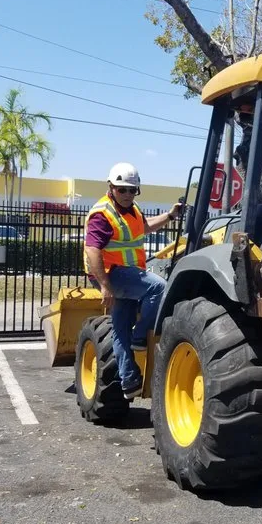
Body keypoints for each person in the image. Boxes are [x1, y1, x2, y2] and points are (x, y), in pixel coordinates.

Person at [84, 162, 181, 400]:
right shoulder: (103, 214)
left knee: (119, 330)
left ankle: (128, 382)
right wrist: (105, 286)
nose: (127, 194)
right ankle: (140, 336)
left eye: (132, 190)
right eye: (122, 189)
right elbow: (92, 250)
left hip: (127, 274)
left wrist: (170, 215)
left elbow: (145, 227)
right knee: (158, 287)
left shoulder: (132, 210)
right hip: (112, 274)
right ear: (111, 187)